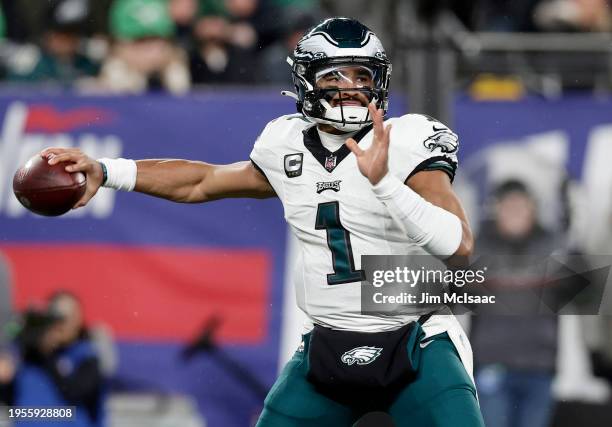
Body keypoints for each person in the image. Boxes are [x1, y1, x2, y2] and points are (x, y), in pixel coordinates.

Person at [42, 17, 483, 427]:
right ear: (307, 80)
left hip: (416, 342)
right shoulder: (284, 141)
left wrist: (385, 183)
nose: (350, 89)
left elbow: (458, 242)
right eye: (335, 76)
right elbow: (203, 181)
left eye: (362, 77)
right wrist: (108, 171)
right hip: (326, 348)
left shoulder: (407, 138)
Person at [470, 180, 561, 427]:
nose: (515, 214)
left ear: (533, 209)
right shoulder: (476, 247)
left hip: (540, 365)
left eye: (521, 207)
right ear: (496, 210)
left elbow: (583, 292)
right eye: (509, 207)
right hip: (493, 362)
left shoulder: (555, 247)